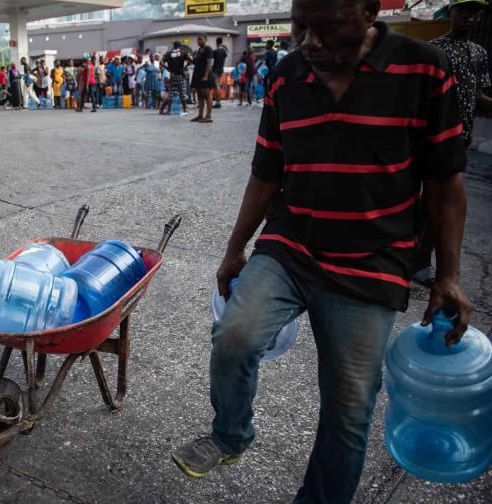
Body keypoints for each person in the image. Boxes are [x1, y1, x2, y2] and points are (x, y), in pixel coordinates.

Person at [170, 2, 473, 504]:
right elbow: (267, 171)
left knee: (349, 408)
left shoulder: (424, 69)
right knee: (234, 338)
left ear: (370, 11)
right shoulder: (287, 77)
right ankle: (231, 434)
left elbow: (445, 182)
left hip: (373, 262)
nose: (309, 42)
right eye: (300, 26)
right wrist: (233, 250)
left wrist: (449, 275)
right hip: (291, 246)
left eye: (328, 28)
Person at [415, 0, 492, 286]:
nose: (468, 17)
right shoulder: (436, 50)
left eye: (474, 12)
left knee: (441, 201)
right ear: (451, 13)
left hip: (461, 138)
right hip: (430, 136)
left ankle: (419, 261)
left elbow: (478, 96)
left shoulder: (478, 53)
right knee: (425, 200)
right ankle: (413, 260)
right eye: (462, 11)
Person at [191, 34, 214, 123]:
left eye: (201, 39)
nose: (199, 41)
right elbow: (196, 63)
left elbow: (209, 63)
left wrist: (205, 76)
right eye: (198, 40)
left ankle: (208, 116)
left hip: (205, 76)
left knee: (207, 95)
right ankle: (200, 115)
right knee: (200, 96)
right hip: (197, 76)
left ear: (206, 40)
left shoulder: (208, 49)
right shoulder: (198, 51)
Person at [163, 41, 190, 116]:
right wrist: (185, 67)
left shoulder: (168, 53)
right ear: (180, 46)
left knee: (171, 93)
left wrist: (167, 68)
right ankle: (185, 109)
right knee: (183, 93)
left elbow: (161, 62)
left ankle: (169, 110)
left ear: (174, 46)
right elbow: (191, 59)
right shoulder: (183, 52)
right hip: (180, 75)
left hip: (172, 75)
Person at [212, 37, 228, 109]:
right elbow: (224, 60)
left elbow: (212, 60)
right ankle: (218, 102)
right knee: (218, 85)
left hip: (215, 70)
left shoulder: (215, 51)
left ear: (216, 42)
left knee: (217, 86)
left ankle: (218, 102)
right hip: (221, 69)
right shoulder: (224, 51)